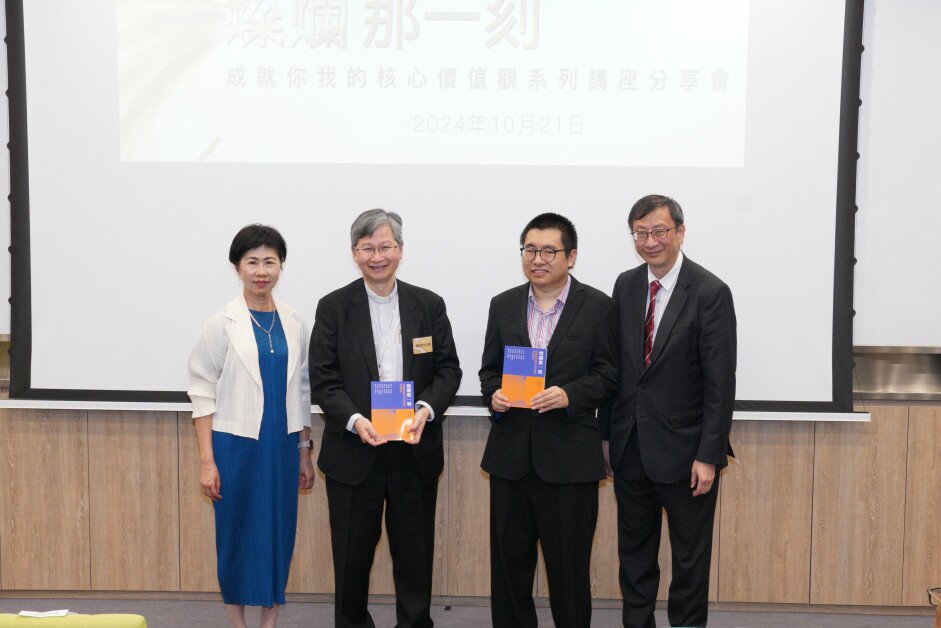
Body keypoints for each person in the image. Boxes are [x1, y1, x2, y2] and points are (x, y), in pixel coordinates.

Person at [309, 209, 461, 628]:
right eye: (368, 248)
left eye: (386, 247)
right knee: (351, 557)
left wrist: (424, 412)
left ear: (401, 250)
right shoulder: (334, 307)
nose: (378, 256)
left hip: (413, 450)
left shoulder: (428, 305)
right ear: (355, 254)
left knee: (414, 556)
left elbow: (448, 370)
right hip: (356, 451)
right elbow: (324, 381)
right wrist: (357, 420)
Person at [600, 195, 736, 628]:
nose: (650, 241)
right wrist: (607, 438)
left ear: (680, 231)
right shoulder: (625, 285)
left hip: (686, 454)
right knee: (634, 559)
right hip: (630, 447)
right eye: (641, 233)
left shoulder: (710, 291)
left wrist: (709, 454)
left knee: (690, 563)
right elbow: (617, 369)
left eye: (659, 231)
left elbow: (720, 382)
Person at [479, 213, 617, 628]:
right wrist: (494, 396)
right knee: (509, 570)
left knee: (569, 572)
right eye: (530, 250)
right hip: (510, 459)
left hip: (569, 459)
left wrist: (571, 394)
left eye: (549, 251)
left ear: (571, 256)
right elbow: (489, 371)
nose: (537, 259)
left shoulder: (598, 307)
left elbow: (611, 374)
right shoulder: (502, 304)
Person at [187, 224, 315, 628]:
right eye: (252, 262)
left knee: (278, 533)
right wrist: (208, 461)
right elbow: (201, 391)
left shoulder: (295, 321)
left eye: (270, 262)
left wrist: (304, 451)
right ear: (237, 267)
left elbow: (303, 389)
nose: (262, 271)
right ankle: (239, 624)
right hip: (235, 445)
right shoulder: (221, 323)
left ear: (282, 266)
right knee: (237, 533)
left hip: (282, 444)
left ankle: (269, 622)